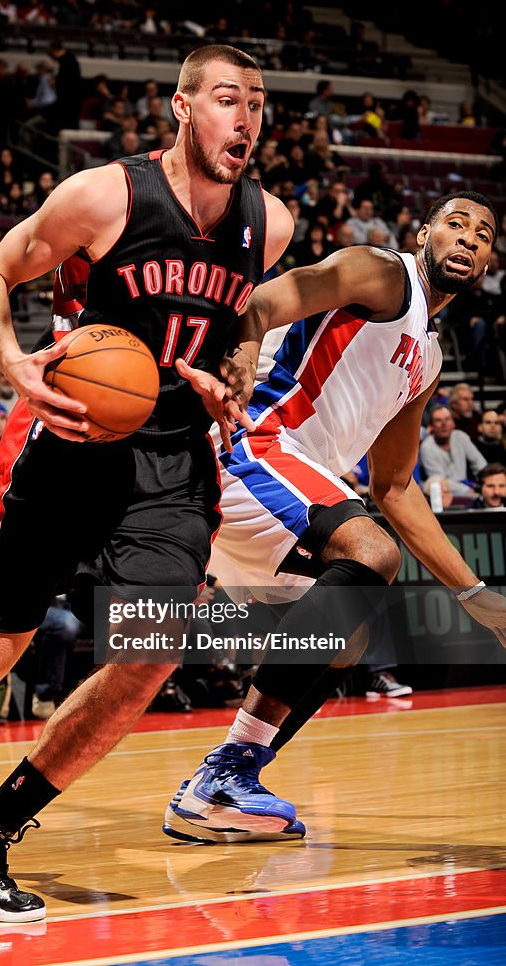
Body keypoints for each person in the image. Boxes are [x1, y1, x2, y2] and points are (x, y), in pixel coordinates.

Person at [0, 44, 295, 922]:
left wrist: (235, 361)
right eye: (228, 99)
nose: (247, 119)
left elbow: (242, 313)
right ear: (182, 108)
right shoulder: (104, 195)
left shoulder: (272, 222)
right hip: (68, 435)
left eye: (258, 104)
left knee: (150, 653)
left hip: (173, 460)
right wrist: (11, 363)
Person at [160, 191, 506, 844]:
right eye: (454, 224)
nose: (466, 238)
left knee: (340, 643)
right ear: (424, 232)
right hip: (254, 441)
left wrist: (474, 594)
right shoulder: (380, 272)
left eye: (482, 234)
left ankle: (215, 792)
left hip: (294, 487)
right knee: (370, 555)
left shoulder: (425, 361)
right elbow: (266, 298)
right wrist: (242, 346)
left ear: (487, 261)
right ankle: (225, 774)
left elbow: (397, 488)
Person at [420, 405, 486, 502]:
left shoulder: (461, 436)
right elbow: (440, 481)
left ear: (453, 423)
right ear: (431, 427)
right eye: (438, 420)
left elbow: (481, 465)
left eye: (447, 419)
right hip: (443, 494)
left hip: (468, 489)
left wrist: (487, 483)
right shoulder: (427, 446)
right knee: (436, 482)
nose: (444, 424)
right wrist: (467, 490)